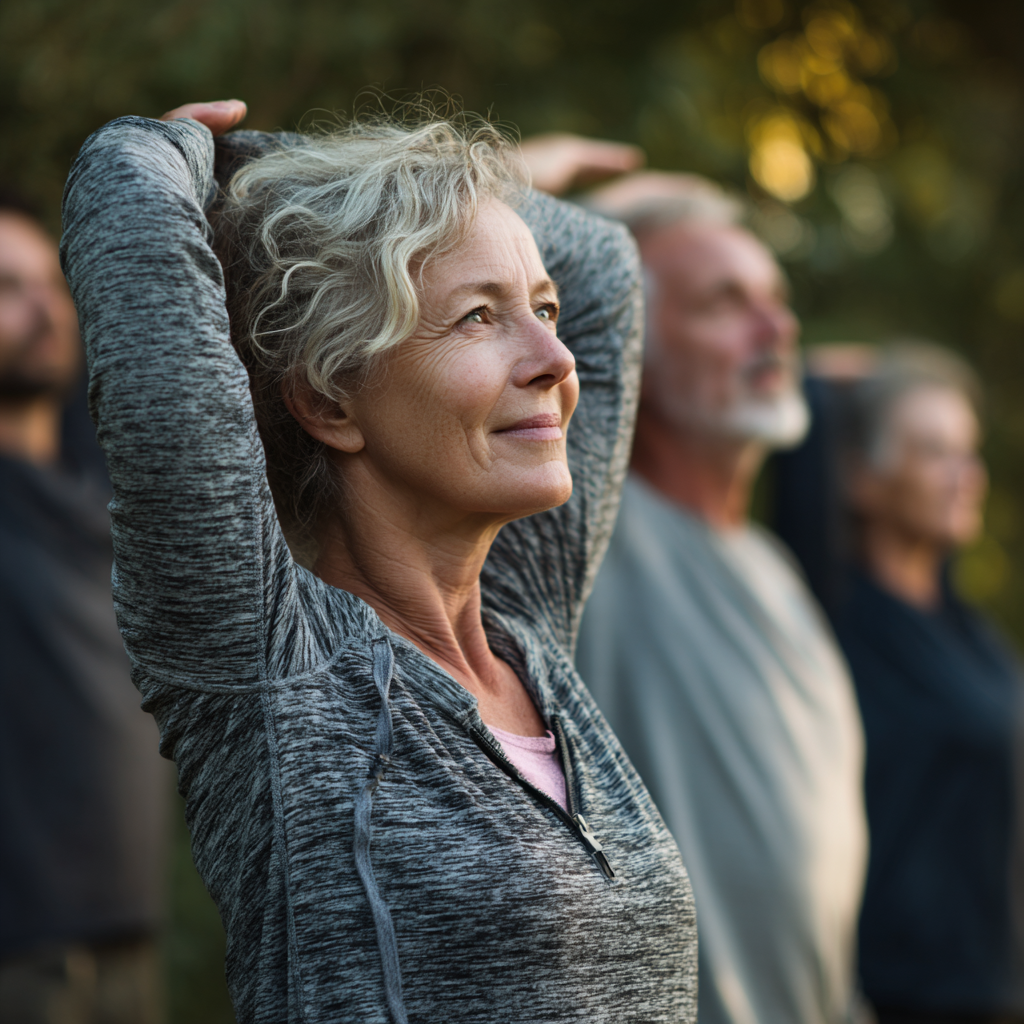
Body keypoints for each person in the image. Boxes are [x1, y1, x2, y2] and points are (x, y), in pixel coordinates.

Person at [60, 99, 698, 1024]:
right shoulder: (280, 672)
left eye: (542, 309)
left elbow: (600, 263)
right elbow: (128, 193)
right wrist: (206, 152)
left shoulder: (525, 631)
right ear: (329, 402)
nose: (556, 359)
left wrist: (378, 183)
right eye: (480, 318)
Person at [575, 172, 867, 1024]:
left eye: (776, 298)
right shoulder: (584, 533)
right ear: (624, 342)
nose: (778, 329)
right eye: (723, 303)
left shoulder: (775, 570)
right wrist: (530, 190)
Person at [784, 342, 1024, 1023]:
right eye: (934, 451)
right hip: (898, 995)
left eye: (967, 451)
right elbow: (803, 499)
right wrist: (816, 378)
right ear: (861, 478)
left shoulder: (963, 630)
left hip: (992, 989)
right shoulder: (839, 621)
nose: (965, 474)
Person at [0, 194, 167, 1021]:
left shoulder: (95, 477)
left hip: (124, 942)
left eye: (48, 283)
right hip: (19, 957)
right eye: (6, 287)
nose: (42, 307)